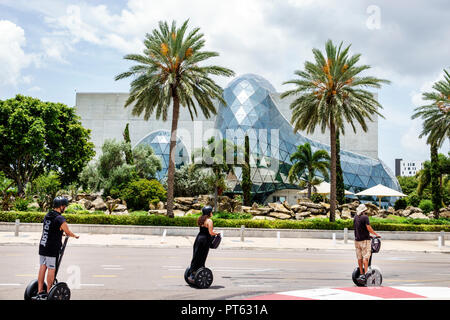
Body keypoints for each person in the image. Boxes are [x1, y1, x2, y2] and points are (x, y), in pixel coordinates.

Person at [34, 196, 79, 300]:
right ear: (61, 206)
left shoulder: (48, 215)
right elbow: (67, 231)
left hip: (43, 245)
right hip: (51, 248)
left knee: (42, 267)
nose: (65, 208)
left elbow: (49, 228)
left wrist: (59, 233)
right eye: (65, 206)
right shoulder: (60, 218)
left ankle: (40, 291)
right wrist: (74, 236)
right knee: (51, 269)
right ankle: (49, 291)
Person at [188, 206, 220, 279]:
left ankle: (193, 271)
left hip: (199, 238)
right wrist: (217, 233)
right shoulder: (209, 221)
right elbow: (211, 233)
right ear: (209, 212)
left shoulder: (201, 219)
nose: (212, 213)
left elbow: (204, 230)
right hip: (205, 240)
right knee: (202, 256)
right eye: (211, 211)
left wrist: (213, 232)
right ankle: (198, 270)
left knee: (196, 255)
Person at [353, 203, 381, 282]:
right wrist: (376, 234)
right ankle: (366, 274)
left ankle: (361, 274)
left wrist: (369, 236)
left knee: (359, 258)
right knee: (366, 257)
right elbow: (368, 227)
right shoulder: (365, 217)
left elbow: (358, 229)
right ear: (364, 210)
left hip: (357, 241)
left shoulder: (355, 217)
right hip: (365, 241)